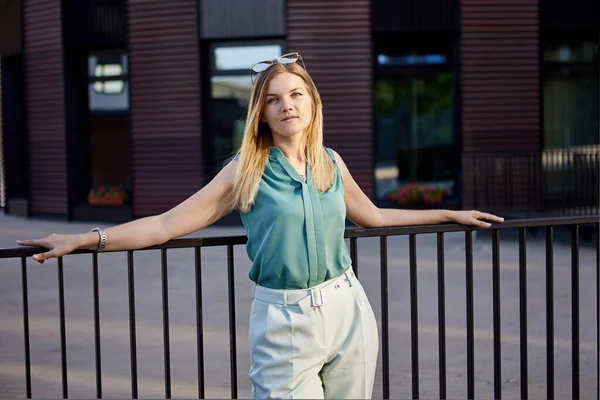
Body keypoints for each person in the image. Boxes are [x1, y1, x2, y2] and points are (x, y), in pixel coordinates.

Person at [17, 52, 504, 399]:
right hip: (285, 321)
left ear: (312, 102)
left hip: (349, 310)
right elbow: (166, 224)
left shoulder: (330, 161)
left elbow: (373, 215)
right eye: (274, 99)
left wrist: (449, 213)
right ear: (262, 114)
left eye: (296, 93)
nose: (287, 104)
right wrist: (87, 237)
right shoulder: (245, 170)